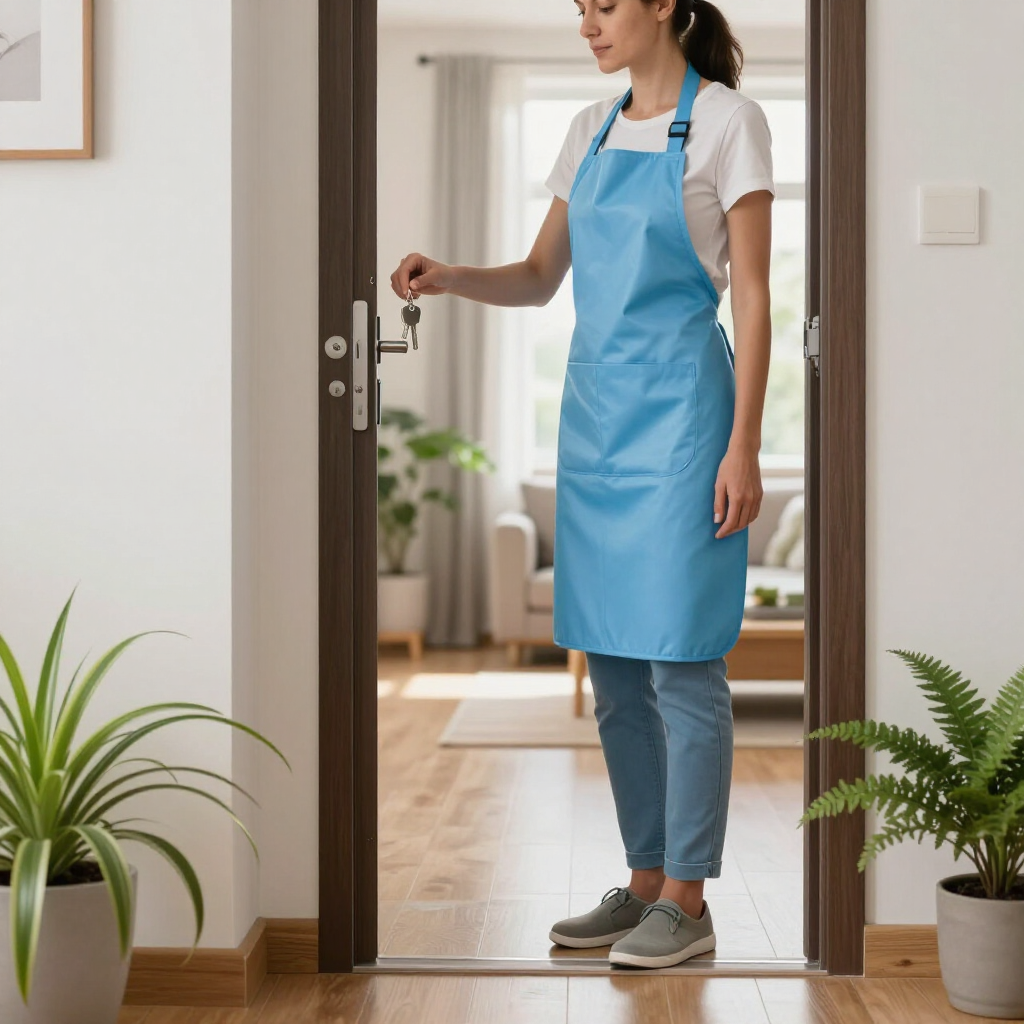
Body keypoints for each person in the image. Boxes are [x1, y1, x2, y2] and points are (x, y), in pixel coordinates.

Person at [391, 0, 773, 970]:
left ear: (662, 7)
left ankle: (688, 900)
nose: (587, 26)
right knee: (611, 672)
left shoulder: (728, 123)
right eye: (578, 10)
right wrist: (448, 276)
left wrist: (745, 444)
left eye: (602, 6)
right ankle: (645, 880)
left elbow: (759, 297)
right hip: (598, 425)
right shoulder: (588, 130)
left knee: (682, 662)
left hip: (688, 421)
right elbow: (536, 274)